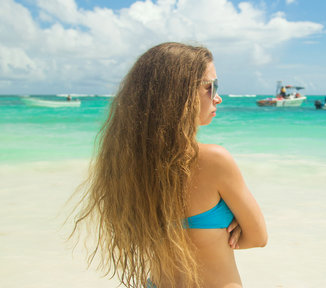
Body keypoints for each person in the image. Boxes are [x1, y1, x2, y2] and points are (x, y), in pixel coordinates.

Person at [71, 42, 267, 288]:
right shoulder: (214, 160)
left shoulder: (129, 166)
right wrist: (231, 226)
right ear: (179, 96)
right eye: (210, 86)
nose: (217, 97)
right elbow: (258, 237)